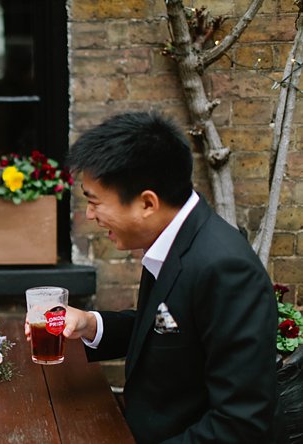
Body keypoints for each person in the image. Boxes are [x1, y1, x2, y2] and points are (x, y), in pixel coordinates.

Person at [26, 111, 277, 443]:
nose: (89, 215)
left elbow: (241, 423)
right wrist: (89, 323)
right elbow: (165, 331)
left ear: (147, 203)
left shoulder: (226, 270)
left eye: (94, 201)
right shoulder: (173, 237)